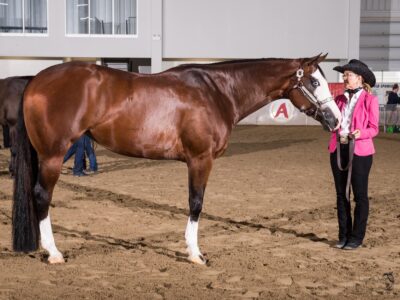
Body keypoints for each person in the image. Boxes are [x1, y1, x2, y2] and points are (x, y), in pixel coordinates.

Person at [329, 59, 379, 250]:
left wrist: (360, 133)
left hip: (360, 151)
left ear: (359, 78)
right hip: (338, 148)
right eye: (344, 74)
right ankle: (343, 236)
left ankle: (356, 237)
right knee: (341, 195)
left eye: (348, 74)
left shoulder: (370, 100)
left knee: (360, 195)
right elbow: (333, 123)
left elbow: (374, 129)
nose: (344, 78)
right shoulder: (339, 99)